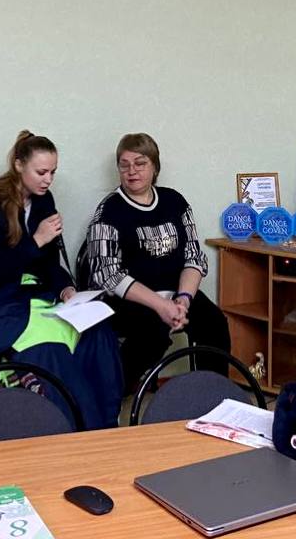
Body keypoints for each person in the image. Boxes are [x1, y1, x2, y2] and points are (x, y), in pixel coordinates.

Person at [0, 130, 122, 429]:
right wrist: (36, 240)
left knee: (98, 333)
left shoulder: (44, 200)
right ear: (19, 165)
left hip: (34, 295)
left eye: (53, 172)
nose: (48, 180)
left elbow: (48, 262)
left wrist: (66, 288)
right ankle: (72, 429)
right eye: (41, 172)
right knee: (49, 347)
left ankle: (106, 425)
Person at [85, 132, 231, 392]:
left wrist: (183, 300)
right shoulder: (108, 211)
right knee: (152, 332)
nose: (132, 171)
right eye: (124, 165)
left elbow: (194, 257)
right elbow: (107, 274)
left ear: (155, 167)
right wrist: (161, 305)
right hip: (131, 300)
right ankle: (112, 393)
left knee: (213, 322)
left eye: (140, 163)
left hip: (177, 293)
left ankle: (212, 395)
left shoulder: (175, 202)